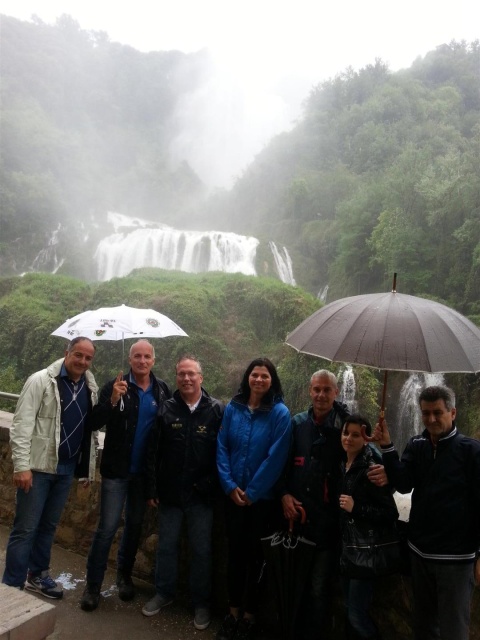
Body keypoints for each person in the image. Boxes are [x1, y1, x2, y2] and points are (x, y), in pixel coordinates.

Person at [280, 370, 385, 640]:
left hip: (328, 525)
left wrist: (385, 468)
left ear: (336, 392)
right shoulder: (298, 423)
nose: (321, 395)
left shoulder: (344, 424)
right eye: (316, 389)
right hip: (297, 519)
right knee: (294, 585)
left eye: (327, 390)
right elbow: (281, 463)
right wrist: (283, 494)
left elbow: (367, 451)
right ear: (309, 390)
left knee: (318, 588)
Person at [373, 385, 480, 640]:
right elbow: (403, 484)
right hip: (420, 553)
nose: (431, 419)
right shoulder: (417, 445)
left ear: (452, 413)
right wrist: (387, 446)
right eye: (425, 413)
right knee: (422, 627)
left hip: (456, 559)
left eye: (437, 413)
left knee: (454, 630)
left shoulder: (471, 451)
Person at [2, 337, 98, 598]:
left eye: (88, 358)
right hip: (39, 468)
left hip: (66, 468)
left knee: (48, 526)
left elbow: (89, 429)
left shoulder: (89, 385)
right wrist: (22, 466)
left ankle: (38, 575)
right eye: (78, 355)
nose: (82, 361)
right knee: (25, 529)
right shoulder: (41, 380)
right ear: (67, 352)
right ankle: (11, 587)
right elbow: (21, 427)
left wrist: (86, 470)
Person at [80, 339, 171, 611]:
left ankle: (123, 576)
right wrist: (112, 400)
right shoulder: (115, 385)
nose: (142, 361)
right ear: (130, 360)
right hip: (116, 472)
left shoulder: (162, 390)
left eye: (147, 357)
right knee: (106, 528)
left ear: (153, 360)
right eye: (137, 356)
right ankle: (93, 586)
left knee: (133, 527)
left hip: (142, 476)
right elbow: (94, 422)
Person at [142, 355, 223, 632]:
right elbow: (153, 452)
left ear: (201, 377)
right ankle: (164, 593)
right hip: (171, 494)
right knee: (167, 547)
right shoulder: (166, 409)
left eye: (191, 374)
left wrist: (210, 485)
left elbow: (223, 455)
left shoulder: (215, 411)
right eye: (181, 374)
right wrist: (152, 488)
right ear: (176, 377)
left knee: (202, 551)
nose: (186, 379)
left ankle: (201, 602)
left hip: (202, 496)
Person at [216, 357, 292, 640]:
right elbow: (221, 447)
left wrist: (253, 492)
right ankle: (232, 613)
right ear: (247, 377)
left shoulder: (280, 413)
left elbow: (276, 457)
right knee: (235, 556)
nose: (259, 380)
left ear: (272, 380)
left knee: (257, 560)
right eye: (255, 375)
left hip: (263, 502)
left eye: (265, 376)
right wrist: (229, 485)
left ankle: (249, 617)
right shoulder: (233, 409)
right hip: (233, 496)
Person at [338, 414, 398, 640]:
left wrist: (356, 508)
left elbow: (390, 513)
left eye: (356, 435)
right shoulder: (343, 464)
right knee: (349, 609)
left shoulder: (371, 469)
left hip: (364, 553)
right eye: (346, 433)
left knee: (356, 614)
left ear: (366, 438)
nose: (349, 438)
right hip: (347, 550)